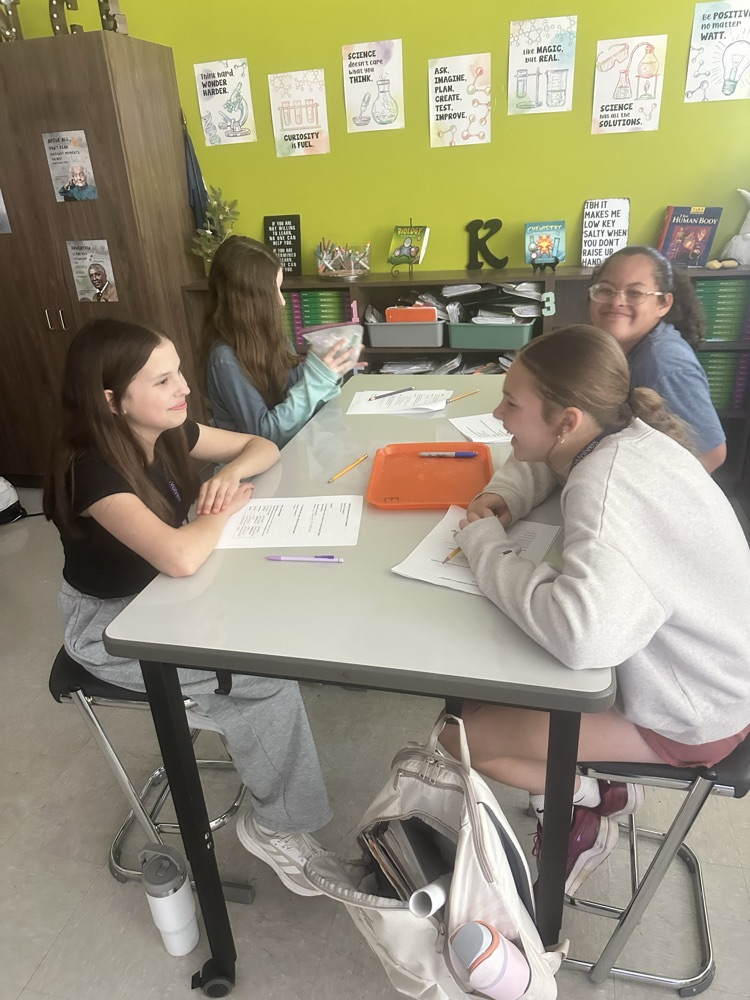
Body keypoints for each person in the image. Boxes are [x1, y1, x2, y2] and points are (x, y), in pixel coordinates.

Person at [442, 325, 750, 895]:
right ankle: (598, 790)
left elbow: (583, 636)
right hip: (715, 675)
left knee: (458, 738)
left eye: (511, 402)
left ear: (567, 420)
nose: (499, 414)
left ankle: (580, 805)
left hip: (695, 714)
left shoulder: (603, 490)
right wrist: (506, 495)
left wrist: (486, 548)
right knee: (476, 696)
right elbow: (546, 457)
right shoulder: (623, 434)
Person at [43, 318, 333, 896]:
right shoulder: (90, 469)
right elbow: (178, 556)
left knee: (276, 632)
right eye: (163, 380)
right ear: (112, 401)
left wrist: (229, 474)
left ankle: (242, 731)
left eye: (178, 372)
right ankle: (276, 826)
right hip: (111, 627)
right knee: (264, 677)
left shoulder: (169, 428)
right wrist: (217, 511)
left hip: (166, 597)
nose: (184, 388)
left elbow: (262, 446)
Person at [200, 236, 361, 448]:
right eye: (272, 293)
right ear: (246, 301)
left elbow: (301, 398)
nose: (282, 302)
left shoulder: (274, 337)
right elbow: (264, 437)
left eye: (280, 289)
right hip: (255, 464)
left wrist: (328, 369)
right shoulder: (224, 359)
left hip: (291, 451)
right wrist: (318, 380)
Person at [588, 245, 726, 472]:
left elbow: (712, 453)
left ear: (663, 303)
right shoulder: (621, 346)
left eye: (634, 293)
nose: (616, 302)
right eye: (606, 290)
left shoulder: (665, 365)